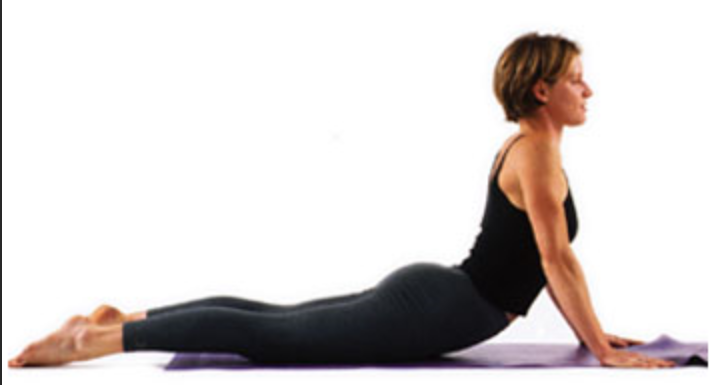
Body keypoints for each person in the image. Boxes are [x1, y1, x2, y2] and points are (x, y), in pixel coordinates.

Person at [8, 32, 675, 369]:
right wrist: (601, 346)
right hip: (440, 302)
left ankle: (122, 314)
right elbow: (555, 257)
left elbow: (548, 259)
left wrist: (595, 332)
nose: (587, 92)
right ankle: (95, 338)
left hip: (438, 293)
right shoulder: (535, 152)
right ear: (541, 92)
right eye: (576, 82)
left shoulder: (531, 149)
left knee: (277, 318)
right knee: (271, 336)